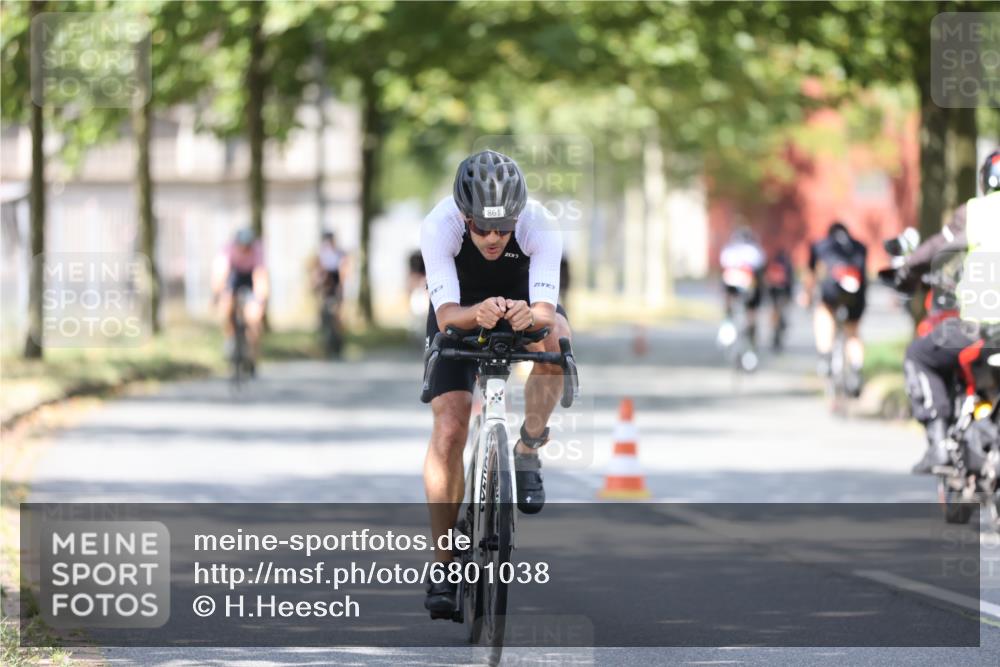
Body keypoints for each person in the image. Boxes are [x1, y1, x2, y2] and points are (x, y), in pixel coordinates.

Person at [420, 149, 567, 617]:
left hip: (521, 299)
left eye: (503, 228)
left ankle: (527, 449)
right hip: (460, 310)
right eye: (481, 227)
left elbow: (545, 311)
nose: (492, 237)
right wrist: (473, 314)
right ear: (464, 216)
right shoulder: (438, 226)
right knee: (449, 426)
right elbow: (446, 317)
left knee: (557, 342)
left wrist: (533, 317)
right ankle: (443, 563)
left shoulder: (540, 226)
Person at [903, 149, 1000, 473]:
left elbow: (937, 252)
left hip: (977, 329)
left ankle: (939, 442)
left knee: (920, 355)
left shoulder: (976, 213)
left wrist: (908, 270)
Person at [801, 221, 868, 395]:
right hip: (856, 292)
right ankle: (855, 368)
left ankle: (825, 356)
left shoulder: (820, 245)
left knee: (824, 311)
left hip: (832, 289)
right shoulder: (860, 247)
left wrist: (807, 296)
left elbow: (811, 274)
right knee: (852, 332)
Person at [211, 228, 269, 371]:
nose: (245, 249)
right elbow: (220, 273)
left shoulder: (257, 250)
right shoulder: (228, 250)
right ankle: (230, 339)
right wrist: (218, 294)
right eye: (242, 245)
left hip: (250, 277)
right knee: (227, 305)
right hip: (234, 276)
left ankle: (252, 355)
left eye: (247, 246)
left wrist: (260, 300)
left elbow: (260, 275)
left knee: (253, 318)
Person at [718, 225, 766, 368]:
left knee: (728, 298)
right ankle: (751, 344)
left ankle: (727, 321)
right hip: (749, 288)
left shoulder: (728, 251)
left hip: (731, 286)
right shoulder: (756, 252)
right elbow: (761, 272)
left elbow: (723, 269)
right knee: (751, 312)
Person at [765, 248, 794, 351]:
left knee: (775, 311)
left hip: (774, 291)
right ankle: (781, 324)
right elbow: (790, 281)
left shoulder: (773, 262)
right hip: (783, 291)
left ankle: (775, 327)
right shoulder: (787, 263)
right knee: (782, 311)